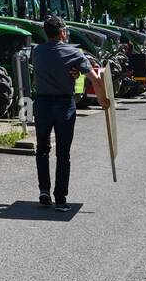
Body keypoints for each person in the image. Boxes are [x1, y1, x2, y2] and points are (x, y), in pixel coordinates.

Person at [30, 16, 107, 212]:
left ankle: (44, 191)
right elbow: (95, 78)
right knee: (63, 153)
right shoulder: (75, 53)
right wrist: (101, 100)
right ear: (63, 32)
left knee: (42, 148)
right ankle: (61, 198)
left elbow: (51, 66)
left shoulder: (36, 51)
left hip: (42, 104)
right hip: (64, 104)